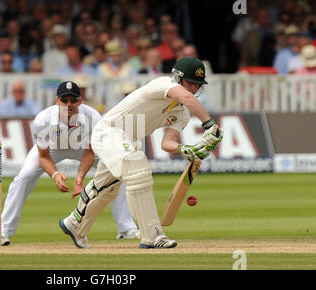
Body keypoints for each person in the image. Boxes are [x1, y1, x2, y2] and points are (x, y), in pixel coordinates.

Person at [59, 56, 223, 249]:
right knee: (138, 168)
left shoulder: (182, 114)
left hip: (127, 141)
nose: (194, 89)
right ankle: (151, 235)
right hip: (109, 131)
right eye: (190, 82)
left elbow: (167, 143)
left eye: (198, 85)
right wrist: (209, 124)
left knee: (106, 188)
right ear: (178, 78)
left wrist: (184, 150)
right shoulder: (163, 84)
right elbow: (186, 96)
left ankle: (74, 223)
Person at [1, 81, 139, 242]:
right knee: (24, 177)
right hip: (53, 148)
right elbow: (44, 156)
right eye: (64, 100)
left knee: (116, 171)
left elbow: (89, 152)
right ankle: (3, 230)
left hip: (82, 147)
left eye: (73, 100)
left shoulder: (92, 117)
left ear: (80, 101)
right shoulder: (42, 120)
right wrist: (54, 174)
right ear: (57, 101)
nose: (68, 104)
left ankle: (126, 228)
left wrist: (79, 178)